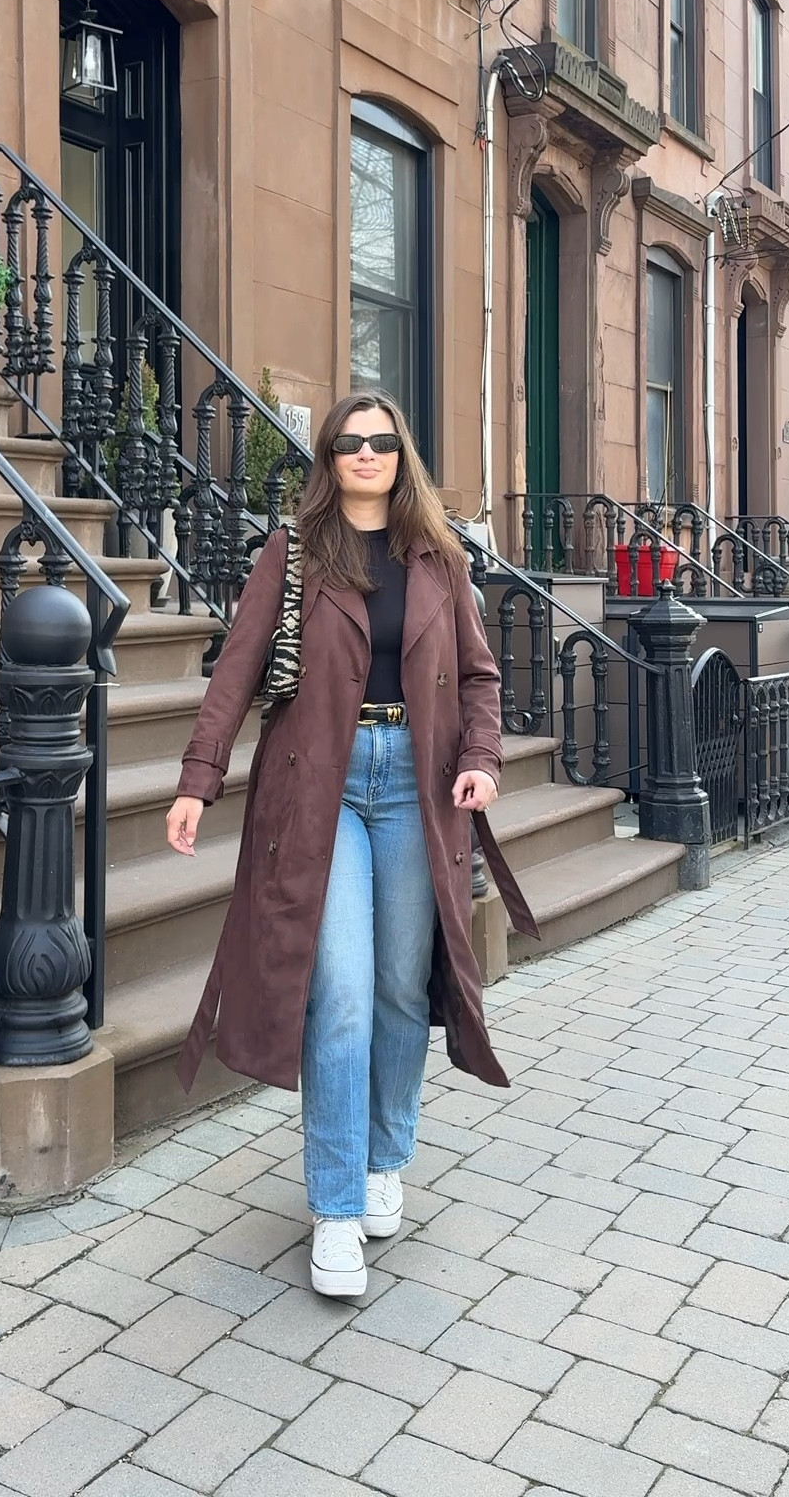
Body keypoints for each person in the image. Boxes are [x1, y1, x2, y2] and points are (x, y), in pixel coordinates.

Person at [166, 391, 536, 1299]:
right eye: (346, 444)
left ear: (400, 453)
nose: (365, 454)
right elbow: (238, 669)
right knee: (339, 998)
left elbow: (481, 676)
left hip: (417, 786)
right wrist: (196, 779)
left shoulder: (442, 556)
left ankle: (383, 1159)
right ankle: (333, 1209)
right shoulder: (292, 554)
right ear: (327, 460)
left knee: (401, 991)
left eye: (380, 441)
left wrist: (482, 760)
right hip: (322, 791)